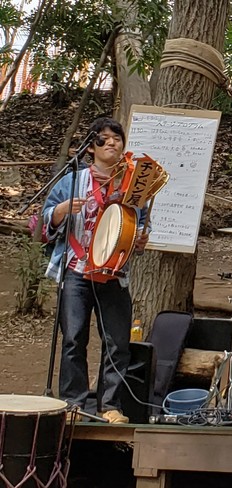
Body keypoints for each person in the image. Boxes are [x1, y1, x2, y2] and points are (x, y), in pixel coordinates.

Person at [43, 117, 149, 424]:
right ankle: (73, 402)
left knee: (117, 341)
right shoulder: (72, 180)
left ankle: (109, 404)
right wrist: (61, 211)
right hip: (76, 269)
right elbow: (43, 219)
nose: (114, 143)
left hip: (113, 272)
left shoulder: (131, 185)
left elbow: (140, 224)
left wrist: (140, 238)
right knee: (74, 338)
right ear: (92, 147)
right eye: (106, 139)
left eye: (118, 139)